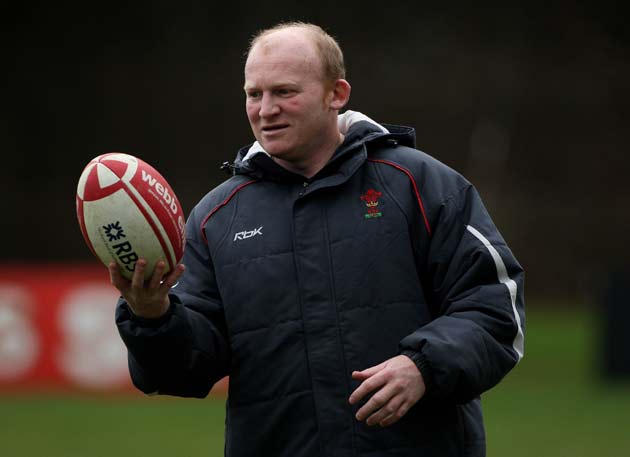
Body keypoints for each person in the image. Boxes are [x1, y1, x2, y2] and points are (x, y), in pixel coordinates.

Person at [110, 21, 525, 457]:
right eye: (254, 94)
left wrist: (422, 365)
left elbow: (495, 309)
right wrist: (153, 316)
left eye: (284, 92)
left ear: (336, 94)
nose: (265, 110)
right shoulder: (217, 217)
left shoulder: (419, 184)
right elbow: (184, 371)